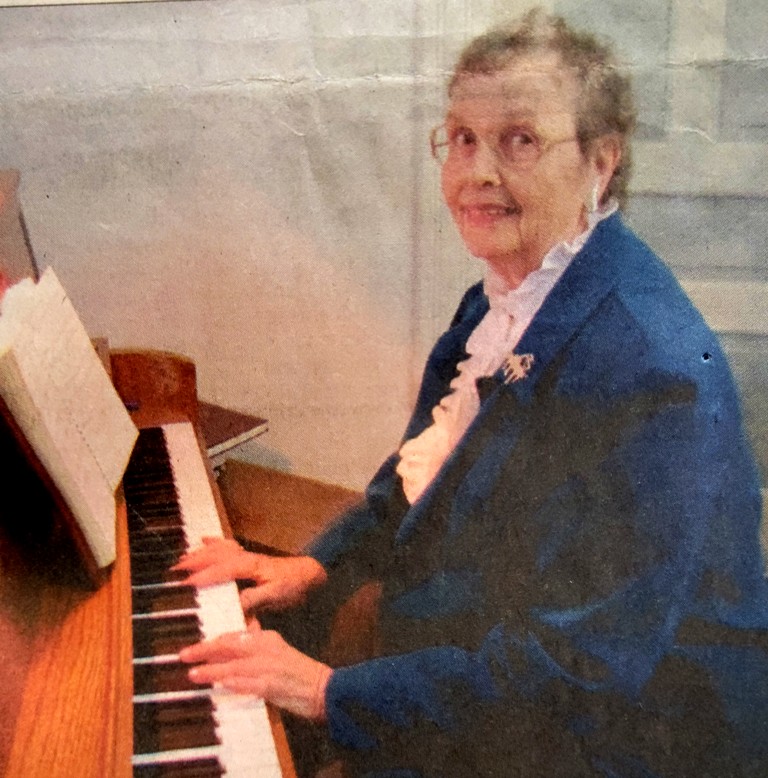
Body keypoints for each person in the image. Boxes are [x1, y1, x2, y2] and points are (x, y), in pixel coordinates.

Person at [176, 9, 768, 777]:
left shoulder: (652, 374)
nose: (478, 171)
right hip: (493, 686)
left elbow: (578, 674)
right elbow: (417, 483)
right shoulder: (502, 301)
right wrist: (317, 568)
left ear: (601, 162)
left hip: (618, 744)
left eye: (518, 140)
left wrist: (330, 693)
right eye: (461, 139)